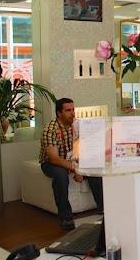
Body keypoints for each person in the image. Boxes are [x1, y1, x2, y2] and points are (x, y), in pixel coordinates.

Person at [39, 98, 104, 230]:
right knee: (60, 174)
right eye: (68, 110)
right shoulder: (50, 130)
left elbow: (84, 149)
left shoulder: (78, 126)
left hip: (72, 160)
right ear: (59, 113)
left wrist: (80, 165)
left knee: (95, 167)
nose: (72, 113)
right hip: (51, 163)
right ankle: (65, 217)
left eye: (73, 109)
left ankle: (102, 208)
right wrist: (77, 169)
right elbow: (54, 159)